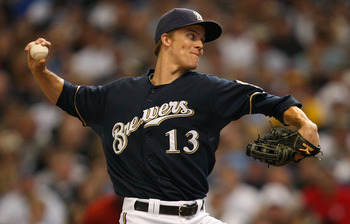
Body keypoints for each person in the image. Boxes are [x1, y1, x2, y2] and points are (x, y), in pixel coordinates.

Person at [25, 8, 319, 224]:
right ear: (165, 40)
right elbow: (67, 95)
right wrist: (40, 72)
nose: (200, 44)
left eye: (202, 39)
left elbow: (270, 101)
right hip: (141, 216)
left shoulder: (209, 90)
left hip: (197, 215)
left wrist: (304, 122)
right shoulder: (117, 95)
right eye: (191, 35)